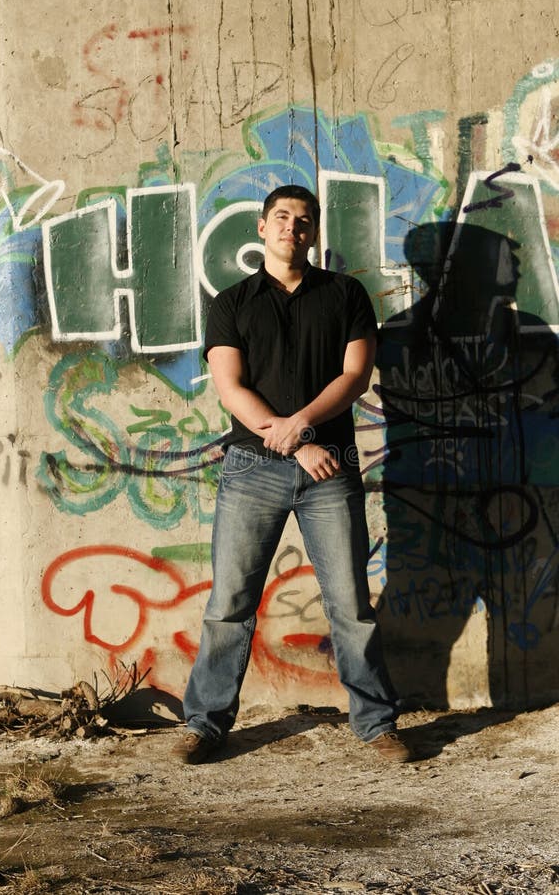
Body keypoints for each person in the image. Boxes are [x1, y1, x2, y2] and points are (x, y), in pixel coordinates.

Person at [173, 184, 411, 764]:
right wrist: (292, 440)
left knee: (350, 604)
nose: (292, 228)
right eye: (281, 218)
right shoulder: (231, 302)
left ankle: (377, 726)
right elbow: (230, 387)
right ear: (261, 228)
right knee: (230, 602)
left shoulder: (347, 295)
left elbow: (355, 376)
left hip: (330, 467)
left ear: (315, 231)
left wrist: (301, 427)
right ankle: (205, 724)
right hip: (253, 466)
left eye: (304, 221)